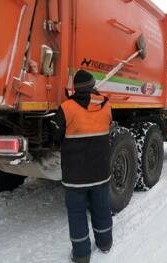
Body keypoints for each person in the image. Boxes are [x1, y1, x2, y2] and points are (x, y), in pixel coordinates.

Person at [52, 70, 113, 263]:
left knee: (77, 214)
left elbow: (55, 138)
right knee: (102, 207)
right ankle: (105, 243)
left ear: (75, 89)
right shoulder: (106, 105)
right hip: (101, 172)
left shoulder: (66, 108)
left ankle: (81, 254)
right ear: (93, 86)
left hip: (75, 176)